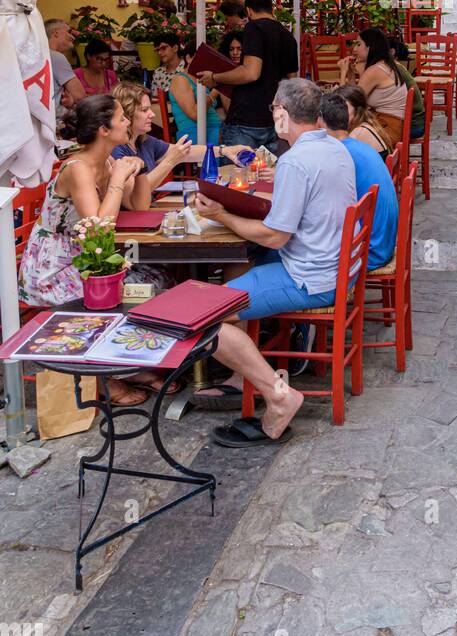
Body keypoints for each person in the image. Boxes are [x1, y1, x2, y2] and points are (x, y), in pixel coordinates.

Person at [193, 80, 358, 438]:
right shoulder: (335, 147)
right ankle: (244, 374)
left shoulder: (296, 161)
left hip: (308, 277)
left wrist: (221, 215)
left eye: (273, 110)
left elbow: (275, 235)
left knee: (203, 319)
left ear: (282, 114)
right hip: (331, 267)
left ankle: (277, 394)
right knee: (242, 269)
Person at [17, 96, 166, 407]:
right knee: (112, 299)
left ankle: (124, 365)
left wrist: (134, 171)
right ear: (103, 129)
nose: (128, 123)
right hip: (54, 267)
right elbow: (97, 231)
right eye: (122, 119)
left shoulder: (110, 160)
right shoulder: (78, 168)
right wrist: (115, 182)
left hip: (88, 258)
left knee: (155, 282)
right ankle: (106, 378)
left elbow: (138, 205)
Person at [112, 82, 252, 206]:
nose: (152, 114)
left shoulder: (143, 140)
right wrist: (170, 161)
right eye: (144, 110)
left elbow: (187, 152)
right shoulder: (116, 150)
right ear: (126, 114)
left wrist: (225, 150)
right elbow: (135, 196)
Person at [199, 0, 299, 154]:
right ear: (271, 8)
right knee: (269, 177)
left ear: (249, 11)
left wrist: (215, 77)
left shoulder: (254, 28)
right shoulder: (288, 36)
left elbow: (251, 72)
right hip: (275, 120)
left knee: (235, 173)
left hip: (246, 119)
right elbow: (291, 80)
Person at [319, 92, 398, 270]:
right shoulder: (358, 145)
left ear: (320, 123)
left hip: (369, 252)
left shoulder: (339, 154)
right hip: (381, 243)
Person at [338, 27, 415, 147]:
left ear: (370, 47)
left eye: (359, 44)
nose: (354, 49)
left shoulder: (375, 70)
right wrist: (351, 74)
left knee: (338, 128)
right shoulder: (384, 64)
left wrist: (342, 73)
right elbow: (355, 94)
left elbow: (344, 103)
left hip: (387, 129)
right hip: (391, 124)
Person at [336, 84, 392, 156]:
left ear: (357, 109)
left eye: (344, 108)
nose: (339, 113)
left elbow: (339, 156)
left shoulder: (359, 132)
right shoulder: (366, 124)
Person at [45, 18, 85, 115]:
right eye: (68, 31)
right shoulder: (56, 57)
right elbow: (80, 96)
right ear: (56, 32)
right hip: (56, 122)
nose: (73, 37)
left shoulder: (40, 55)